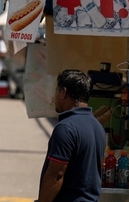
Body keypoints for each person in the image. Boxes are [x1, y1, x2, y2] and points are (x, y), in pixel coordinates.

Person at [37, 69, 106, 202]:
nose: (54, 97)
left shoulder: (65, 128)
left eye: (56, 91)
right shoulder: (97, 126)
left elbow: (56, 175)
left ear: (63, 92)